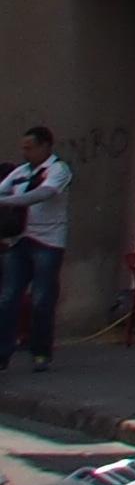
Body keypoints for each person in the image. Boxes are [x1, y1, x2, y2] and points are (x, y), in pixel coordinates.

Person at [0, 128, 63, 370]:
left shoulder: (57, 170)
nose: (25, 153)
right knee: (8, 297)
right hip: (19, 240)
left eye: (30, 148)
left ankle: (41, 352)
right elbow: (3, 188)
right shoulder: (20, 172)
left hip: (47, 241)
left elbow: (43, 194)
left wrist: (6, 201)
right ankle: (3, 352)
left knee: (42, 299)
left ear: (45, 146)